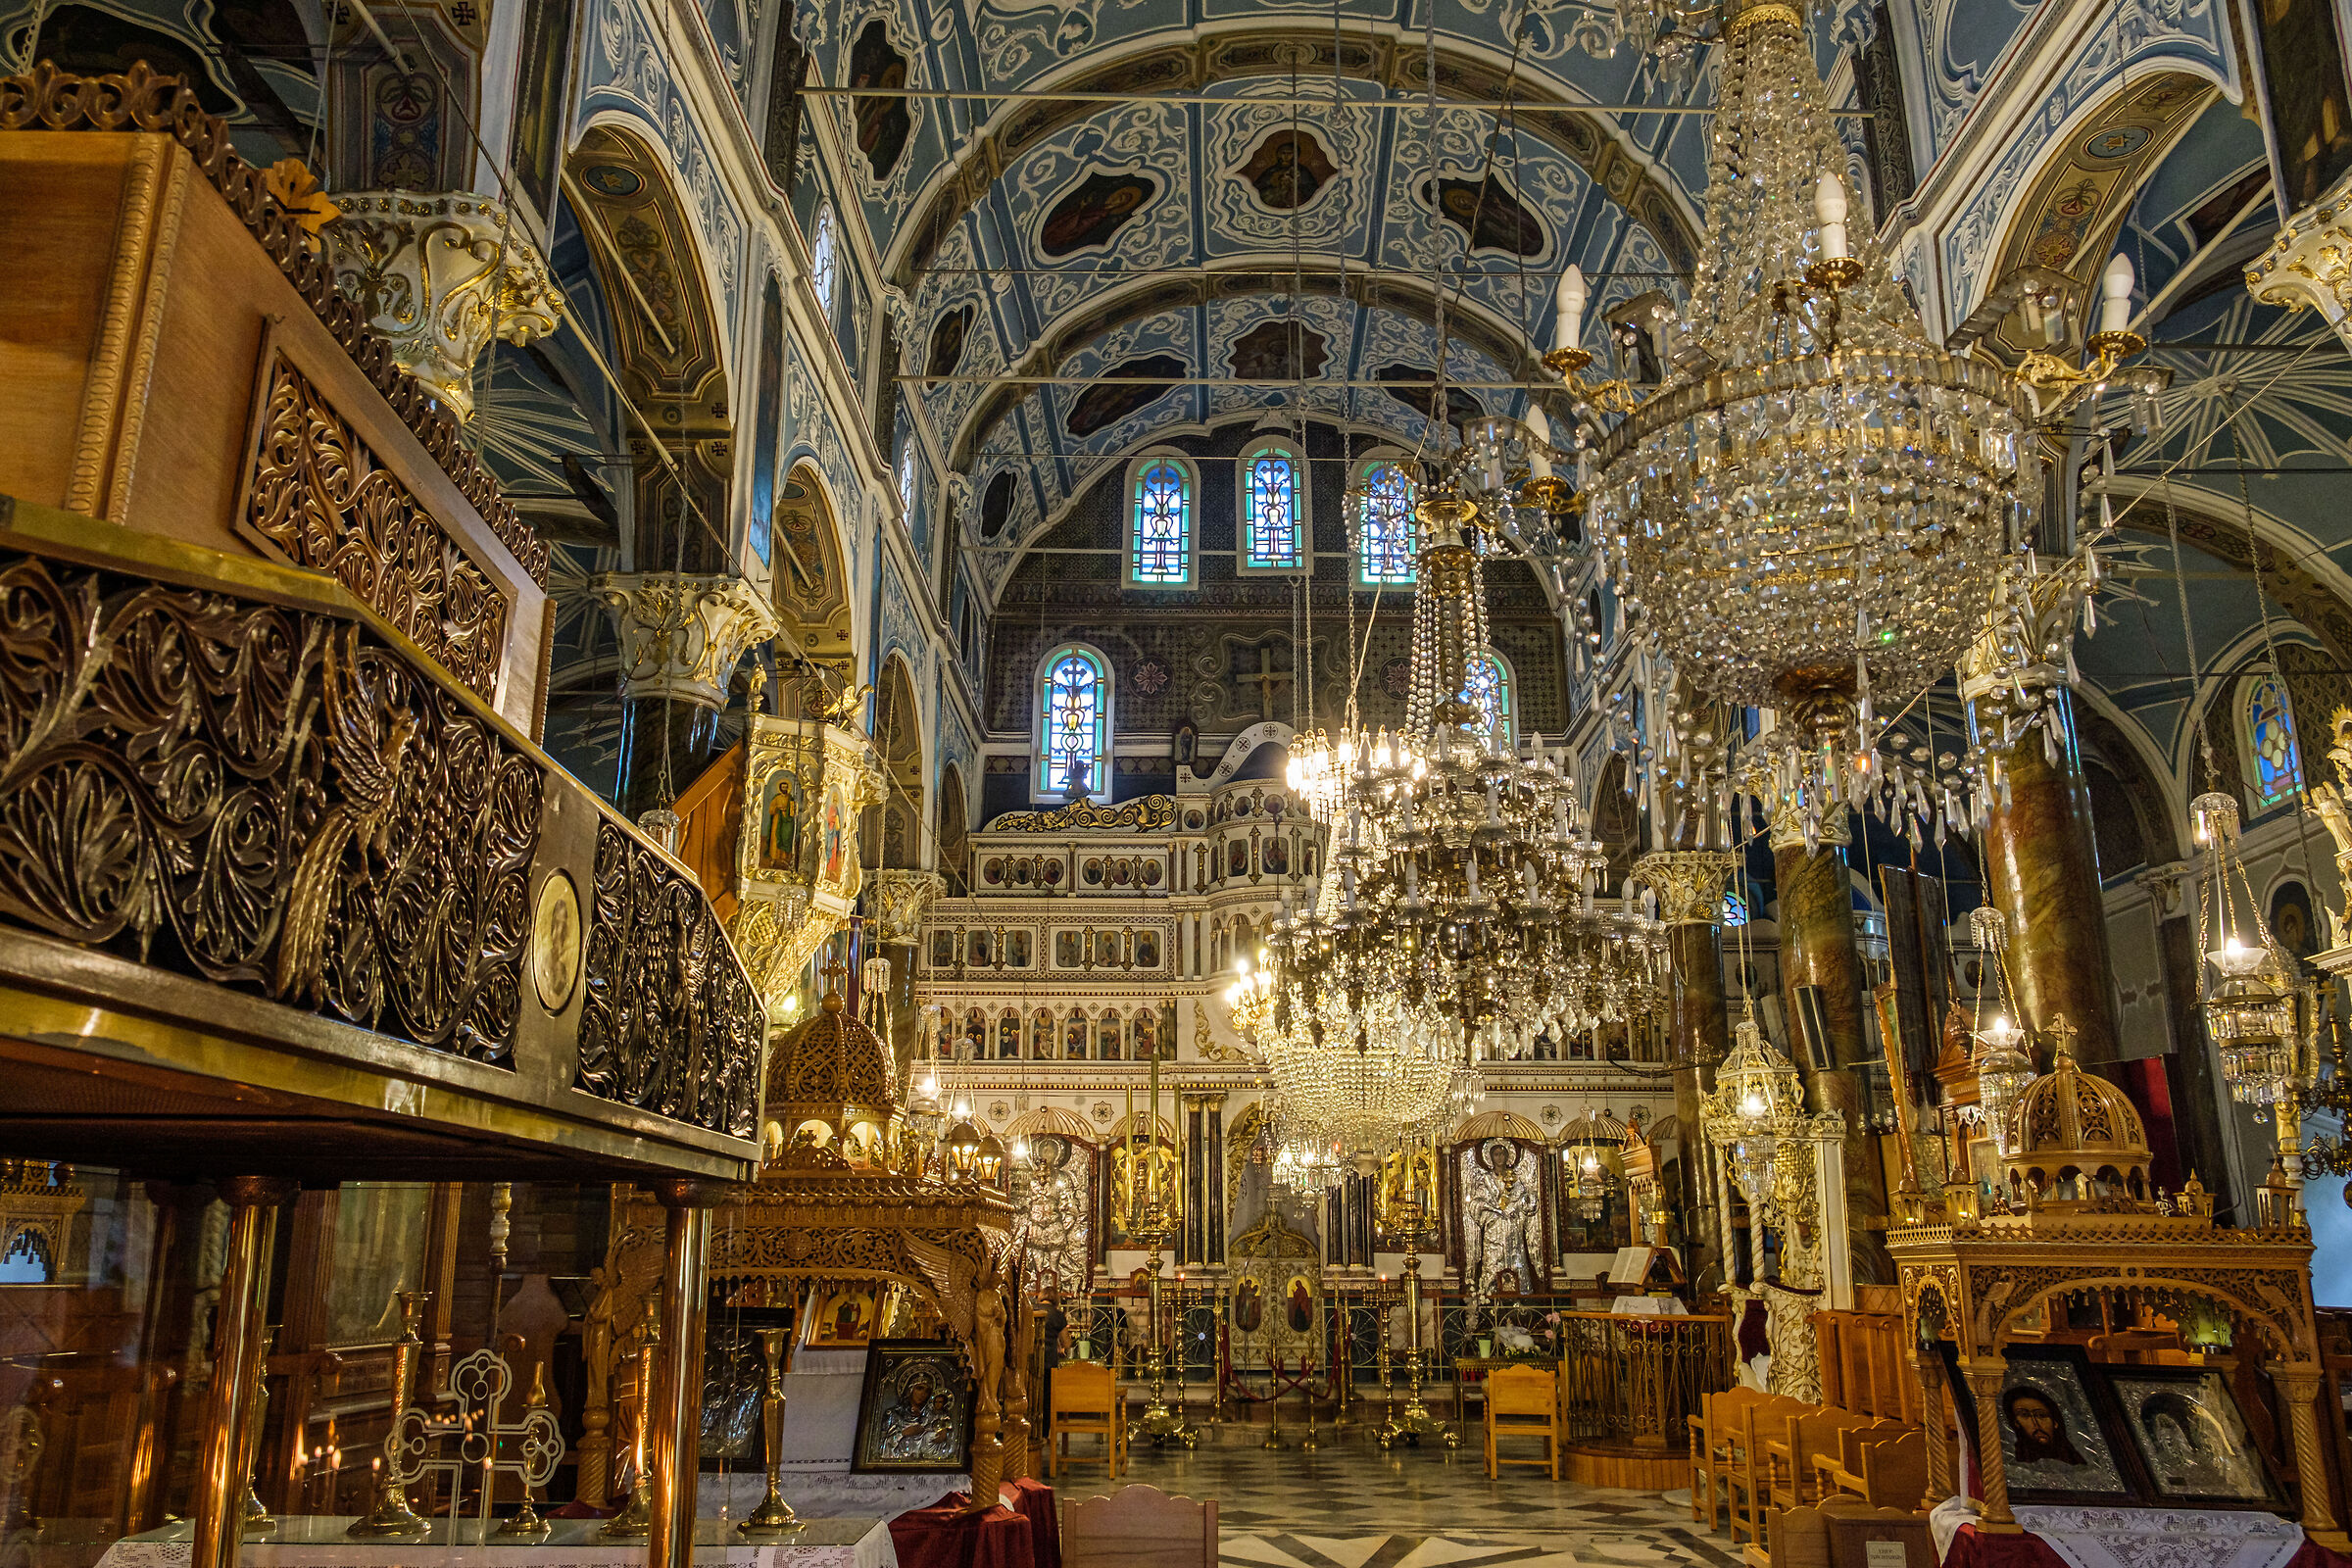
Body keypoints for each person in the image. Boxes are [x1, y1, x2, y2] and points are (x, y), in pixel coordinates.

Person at [2004, 1387, 2086, 1468]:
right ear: (2016, 1423)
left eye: (2041, 1415)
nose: (2035, 1423)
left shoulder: (2075, 1462)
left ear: (2055, 1422)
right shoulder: (2013, 1465)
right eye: (2025, 1415)